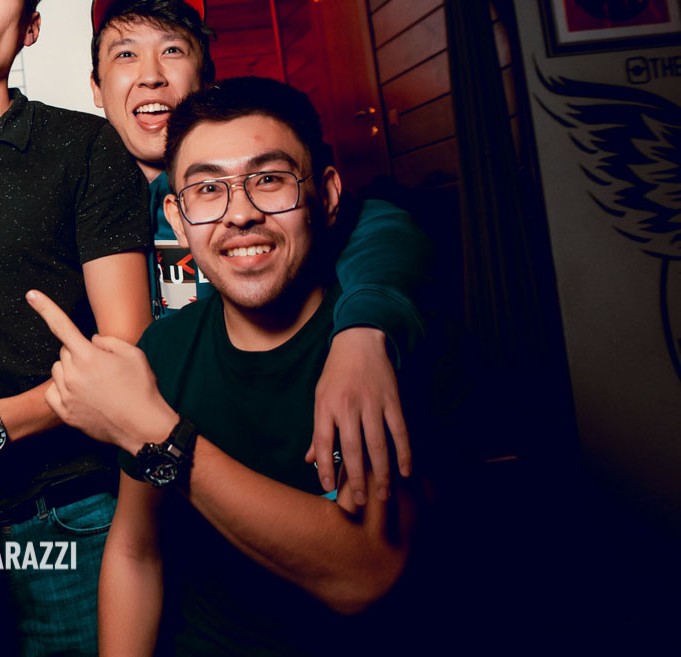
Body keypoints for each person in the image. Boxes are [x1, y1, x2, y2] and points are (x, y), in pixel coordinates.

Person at [36, 76, 422, 655]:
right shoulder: (164, 350)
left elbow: (365, 571)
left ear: (326, 195)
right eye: (208, 189)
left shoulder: (374, 348)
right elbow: (137, 551)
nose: (239, 214)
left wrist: (158, 435)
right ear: (177, 217)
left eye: (268, 180)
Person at [87, 0, 430, 506]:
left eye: (172, 50)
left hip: (286, 474)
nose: (151, 75)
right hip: (147, 484)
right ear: (97, 88)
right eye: (126, 54)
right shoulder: (83, 200)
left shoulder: (269, 193)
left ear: (207, 79)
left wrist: (365, 331)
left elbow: (378, 225)